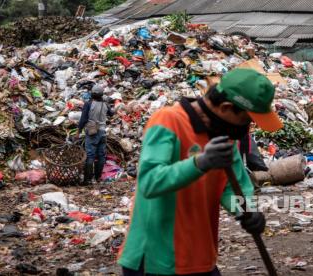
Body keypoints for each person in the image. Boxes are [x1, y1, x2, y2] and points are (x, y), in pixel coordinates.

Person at [118, 68, 283, 276]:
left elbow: (232, 187)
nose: (247, 128)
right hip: (156, 259)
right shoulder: (168, 121)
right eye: (247, 120)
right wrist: (201, 162)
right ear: (226, 107)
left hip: (200, 257)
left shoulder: (225, 135)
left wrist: (246, 211)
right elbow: (149, 182)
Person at [76, 85, 114, 185]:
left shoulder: (88, 104)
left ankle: (87, 180)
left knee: (90, 156)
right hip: (102, 132)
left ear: (92, 94)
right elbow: (111, 114)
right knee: (101, 155)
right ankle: (97, 178)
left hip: (92, 132)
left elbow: (83, 119)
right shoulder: (105, 104)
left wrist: (78, 131)